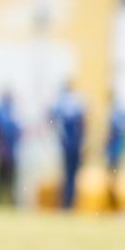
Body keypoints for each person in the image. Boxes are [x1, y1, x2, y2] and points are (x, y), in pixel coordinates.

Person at [51, 81, 86, 210]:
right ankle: (69, 202)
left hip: (66, 144)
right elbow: (83, 122)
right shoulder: (78, 102)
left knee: (66, 174)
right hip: (74, 144)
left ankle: (66, 202)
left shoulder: (60, 102)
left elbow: (52, 119)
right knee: (72, 175)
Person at [0, 91, 20, 207]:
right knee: (3, 179)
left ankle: (5, 202)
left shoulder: (6, 111)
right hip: (5, 151)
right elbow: (10, 131)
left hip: (5, 151)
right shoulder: (4, 112)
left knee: (6, 179)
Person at [106, 98, 125, 212]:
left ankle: (112, 203)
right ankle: (112, 202)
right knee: (112, 178)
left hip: (113, 153)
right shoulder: (120, 117)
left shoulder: (114, 116)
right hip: (115, 152)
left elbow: (111, 134)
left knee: (111, 178)